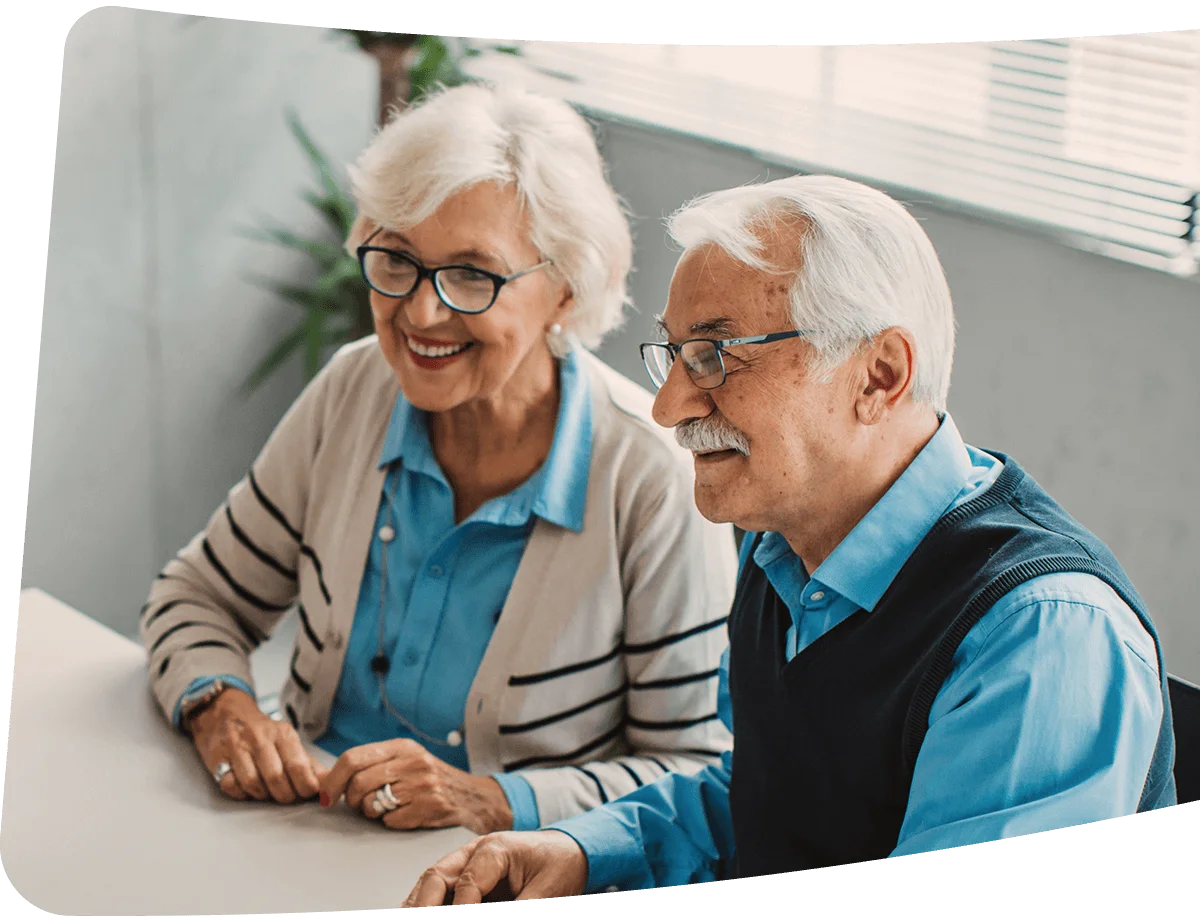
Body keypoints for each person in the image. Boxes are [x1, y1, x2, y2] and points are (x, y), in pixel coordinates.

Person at [400, 173, 1177, 904]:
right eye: (673, 354)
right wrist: (578, 849)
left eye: (714, 355)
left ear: (878, 375)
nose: (669, 406)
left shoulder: (1042, 636)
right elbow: (768, 797)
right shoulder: (780, 545)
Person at [137, 83, 737, 837]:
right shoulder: (354, 389)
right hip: (295, 841)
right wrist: (219, 703)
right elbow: (196, 596)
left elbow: (697, 772)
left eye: (471, 275)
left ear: (564, 288)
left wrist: (489, 802)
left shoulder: (648, 480)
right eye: (397, 259)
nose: (420, 313)